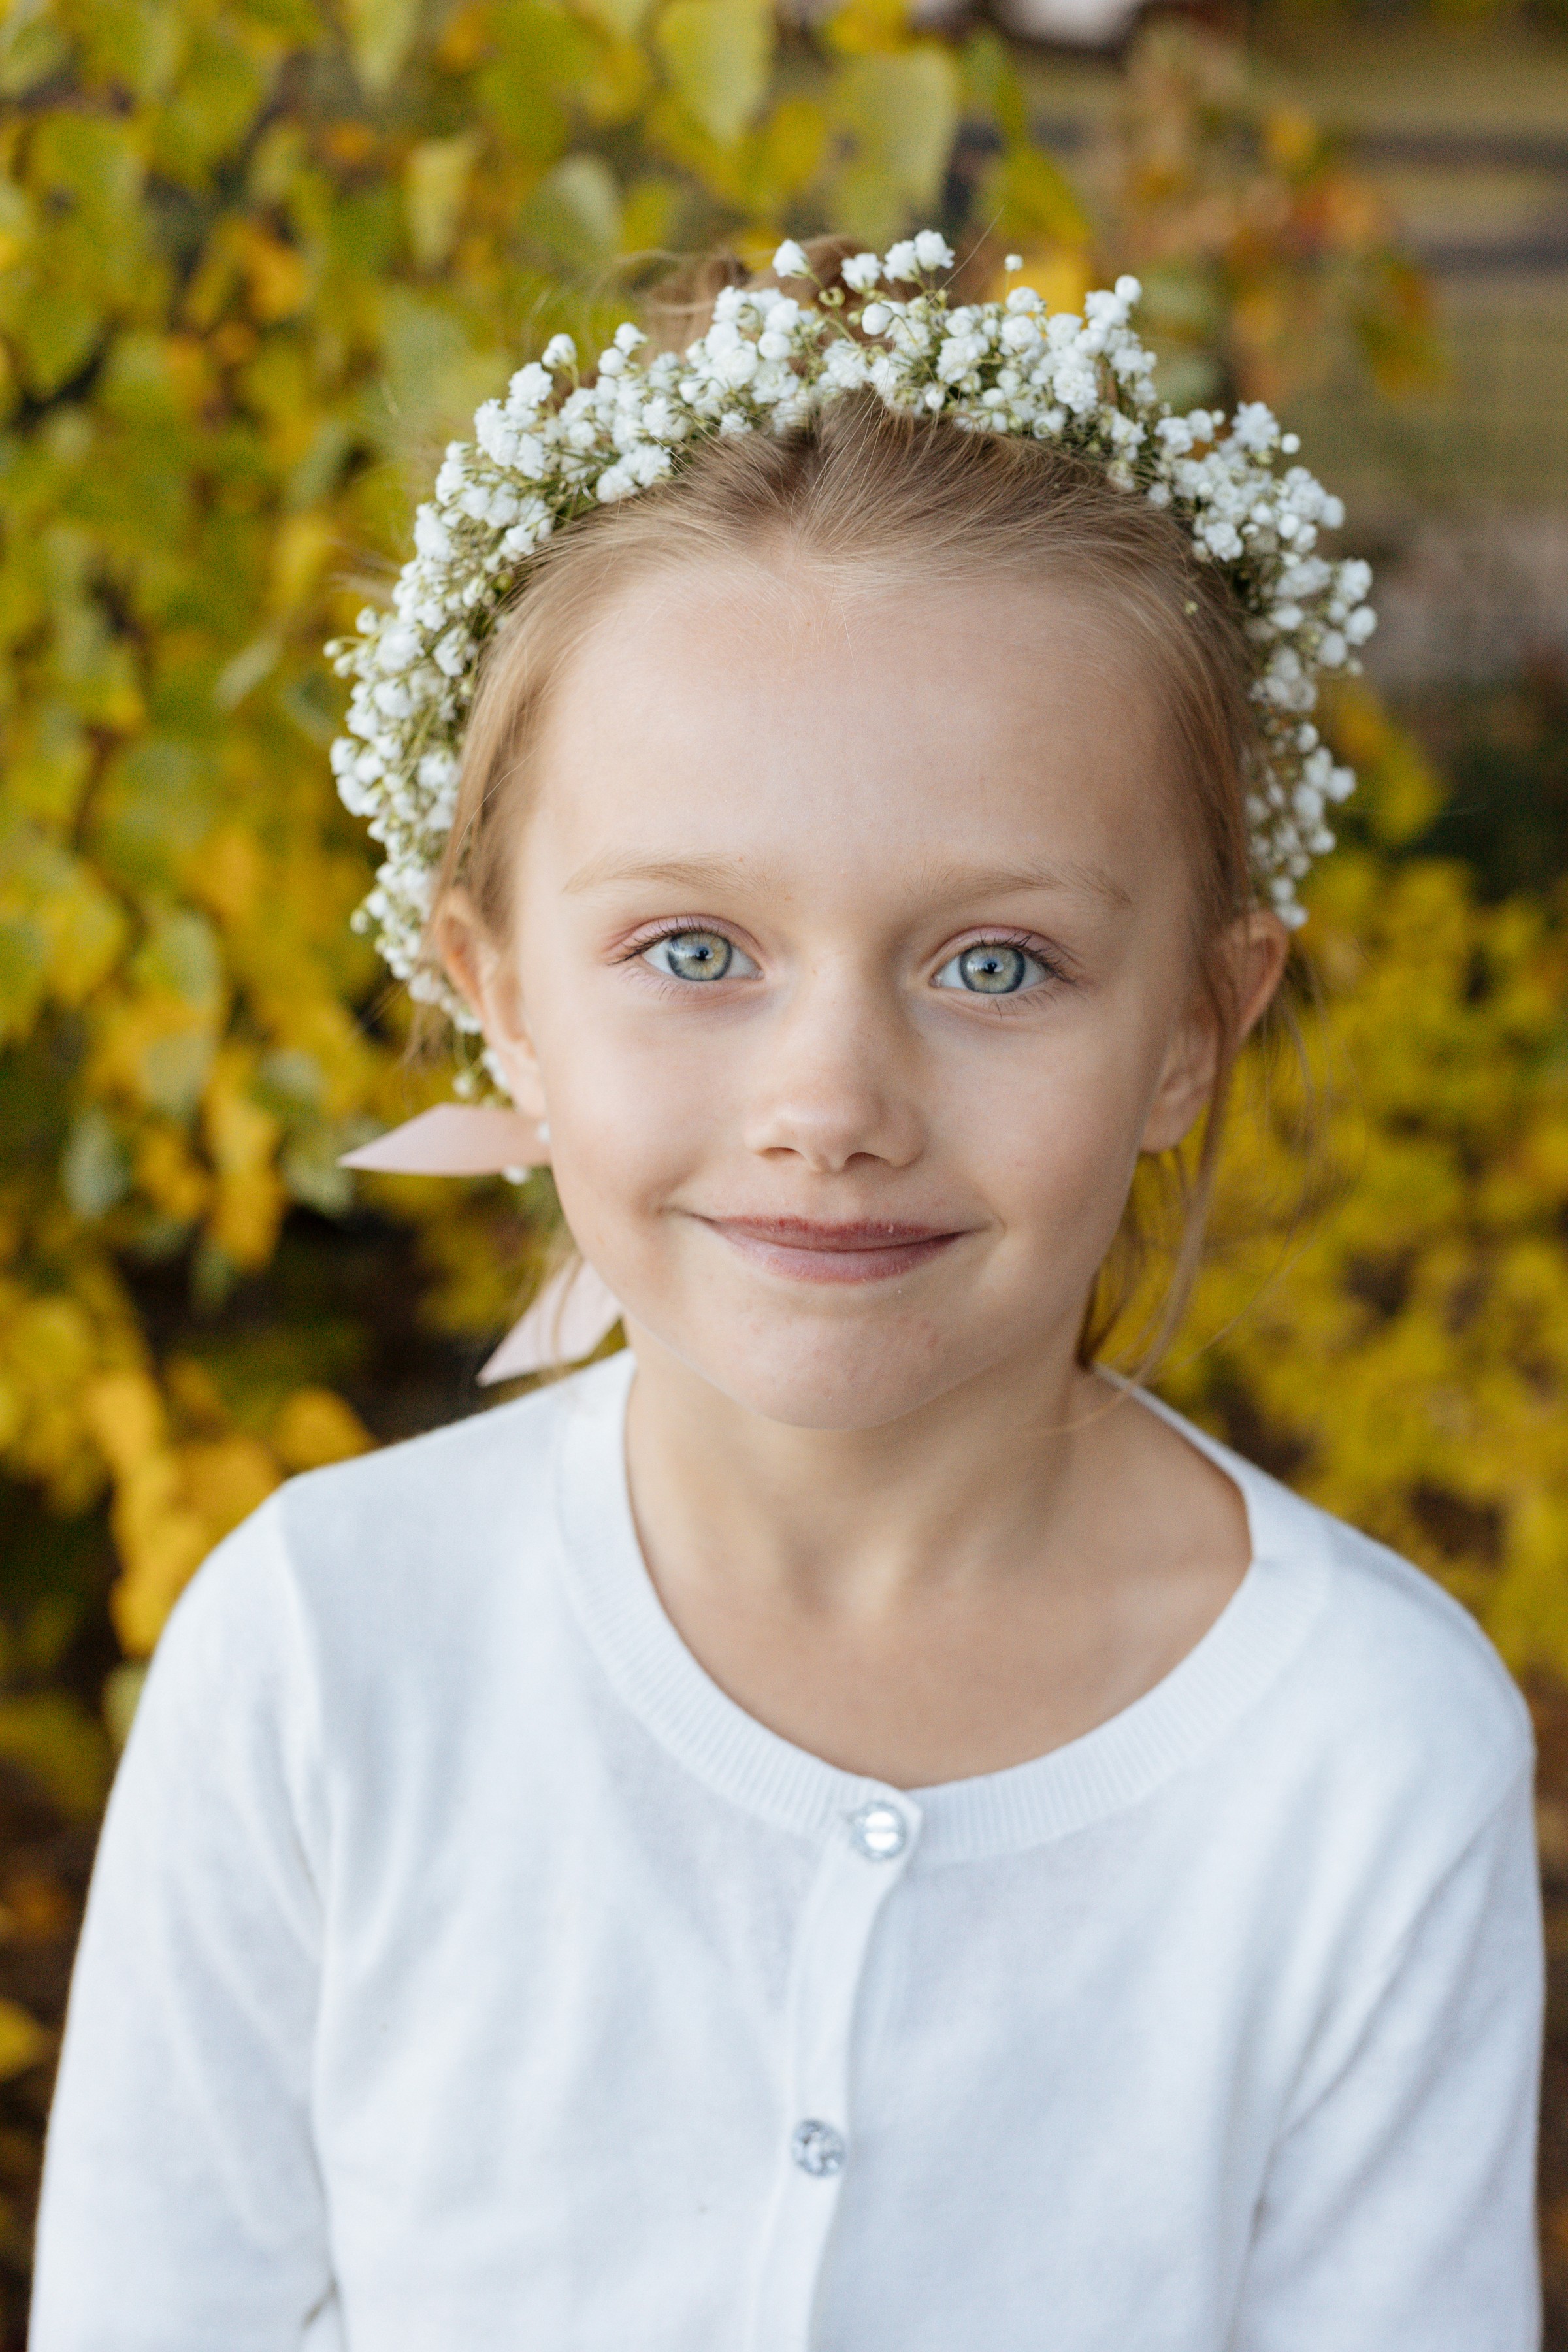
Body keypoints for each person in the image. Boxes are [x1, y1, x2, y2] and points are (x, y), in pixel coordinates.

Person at [33, 236, 1542, 2352]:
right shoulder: (324, 1656)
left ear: (1198, 1027)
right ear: (501, 1000)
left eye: (994, 964)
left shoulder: (1363, 1759)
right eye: (692, 950)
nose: (830, 1103)